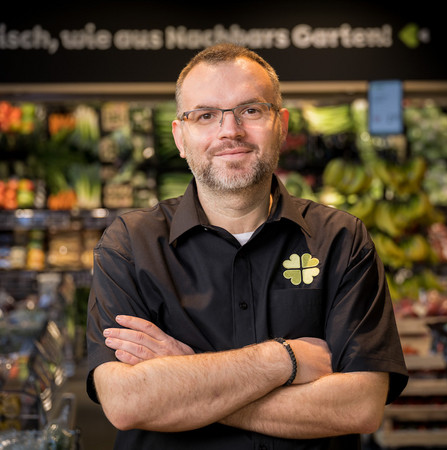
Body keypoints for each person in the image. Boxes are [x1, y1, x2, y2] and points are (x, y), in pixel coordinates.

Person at [86, 42, 408, 449]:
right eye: (205, 115)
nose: (230, 131)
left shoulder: (341, 239)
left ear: (282, 125)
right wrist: (284, 360)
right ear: (180, 136)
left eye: (251, 110)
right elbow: (126, 402)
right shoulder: (130, 245)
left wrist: (185, 378)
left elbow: (359, 406)